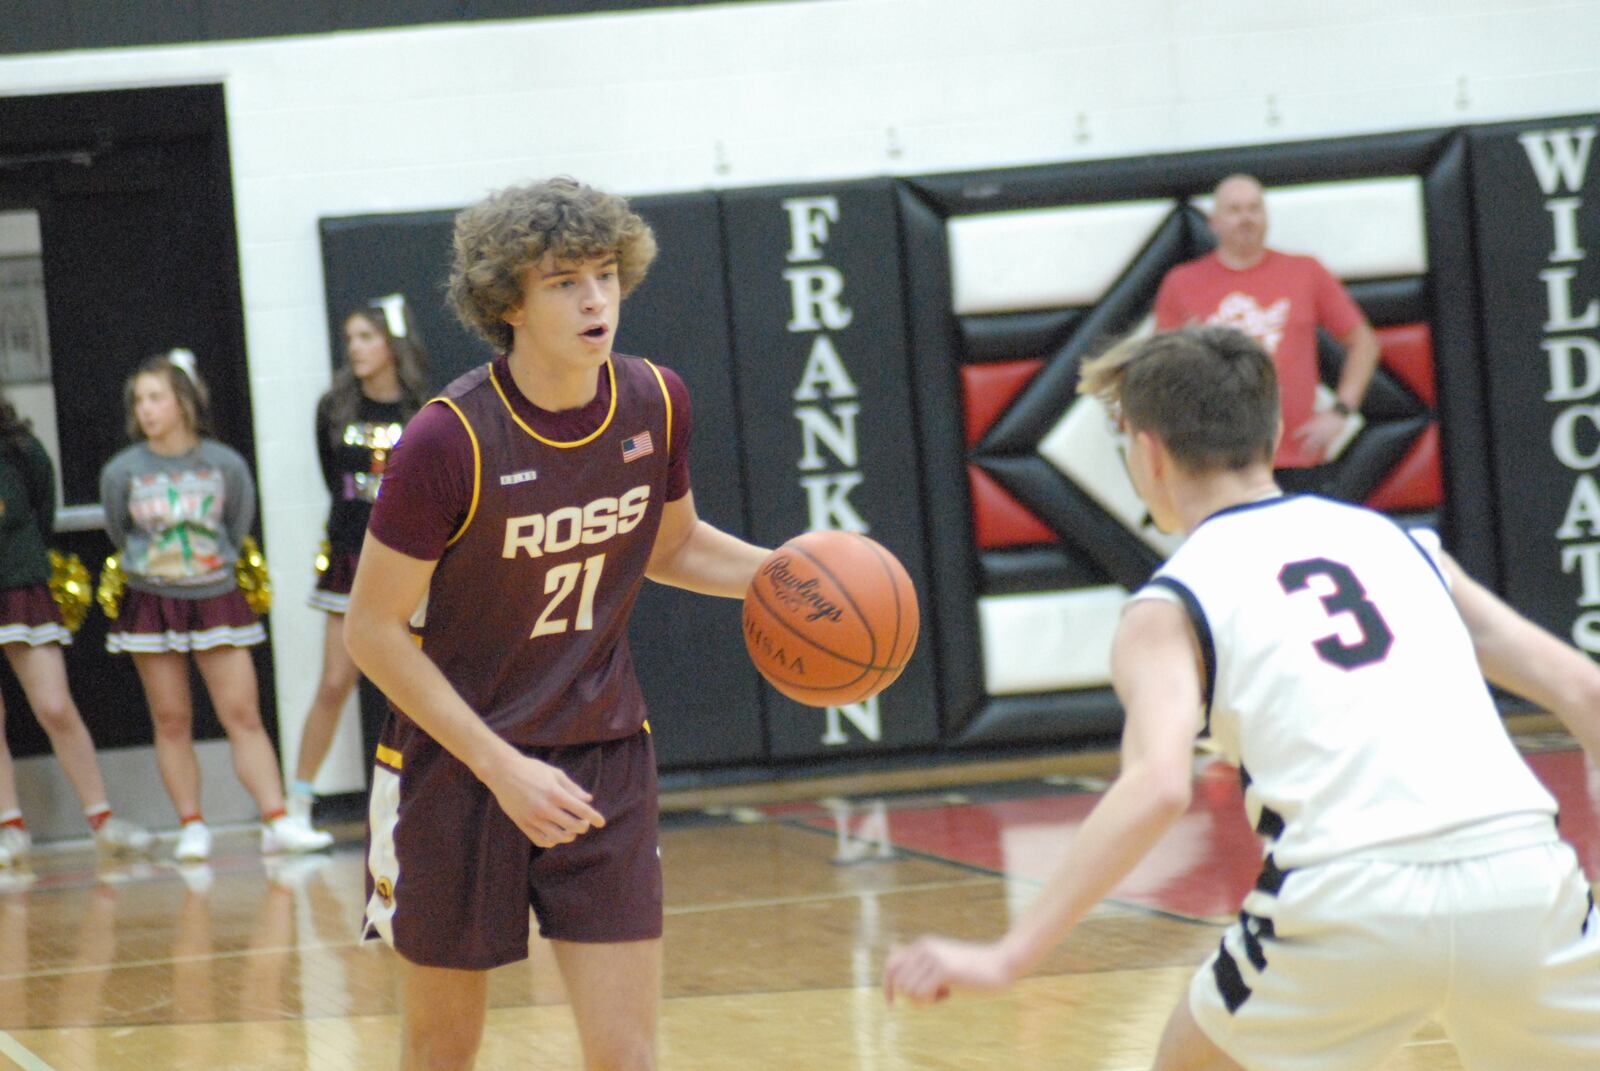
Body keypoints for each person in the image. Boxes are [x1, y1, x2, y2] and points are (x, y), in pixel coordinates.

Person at [884, 325, 1600, 1070]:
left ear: (1148, 451)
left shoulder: (1168, 605)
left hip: (1346, 896)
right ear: (1276, 433)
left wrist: (1009, 955)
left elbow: (1158, 786)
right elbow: (1584, 687)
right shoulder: (1403, 545)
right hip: (1524, 876)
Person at [345, 176, 770, 1071]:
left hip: (601, 754)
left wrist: (787, 578)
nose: (595, 300)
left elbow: (672, 545)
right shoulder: (446, 440)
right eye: (564, 282)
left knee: (627, 1055)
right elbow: (372, 632)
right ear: (508, 301)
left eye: (607, 275)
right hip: (457, 763)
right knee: (440, 1053)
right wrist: (500, 767)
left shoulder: (656, 402)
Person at [100, 351, 334, 863]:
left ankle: (277, 820)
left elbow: (237, 526)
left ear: (184, 400)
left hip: (216, 598)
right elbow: (120, 530)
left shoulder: (224, 464)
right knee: (171, 718)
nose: (146, 409)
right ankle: (192, 826)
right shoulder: (122, 471)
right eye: (139, 400)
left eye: (157, 396)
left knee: (242, 714)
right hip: (151, 602)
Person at [283, 295, 429, 833]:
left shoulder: (423, 410)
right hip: (349, 558)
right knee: (334, 681)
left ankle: (423, 803)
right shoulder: (335, 407)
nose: (356, 349)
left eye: (366, 337)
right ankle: (298, 805)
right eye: (350, 340)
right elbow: (335, 482)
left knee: (414, 686)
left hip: (409, 563)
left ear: (393, 342)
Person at [0, 392, 152, 867]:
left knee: (54, 705)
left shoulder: (21, 448)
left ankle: (102, 821)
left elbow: (43, 515)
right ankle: (10, 829)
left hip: (19, 583)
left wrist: (21, 560)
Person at [1154, 174, 1382, 489]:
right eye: (1234, 210)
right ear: (1214, 222)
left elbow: (1364, 343)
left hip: (1300, 460)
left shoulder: (1306, 272)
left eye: (1254, 208)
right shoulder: (1181, 283)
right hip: (1219, 466)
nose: (1246, 218)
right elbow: (1161, 370)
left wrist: (1341, 410)